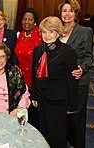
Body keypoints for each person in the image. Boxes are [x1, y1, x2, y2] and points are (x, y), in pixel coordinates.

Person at [31, 16, 78, 148]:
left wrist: (72, 105)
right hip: (41, 98)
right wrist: (34, 95)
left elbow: (72, 80)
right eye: (44, 32)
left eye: (51, 32)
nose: (47, 35)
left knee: (57, 135)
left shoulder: (68, 52)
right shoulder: (38, 51)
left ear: (58, 33)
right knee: (43, 132)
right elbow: (34, 75)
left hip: (58, 100)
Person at [58, 0, 93, 148]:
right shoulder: (56, 31)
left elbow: (88, 57)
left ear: (76, 13)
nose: (67, 14)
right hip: (60, 81)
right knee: (62, 114)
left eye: (70, 11)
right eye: (64, 11)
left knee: (77, 117)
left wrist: (82, 69)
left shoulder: (85, 31)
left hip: (78, 80)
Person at [15, 7, 42, 129]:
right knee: (22, 107)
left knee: (33, 110)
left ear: (35, 21)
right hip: (21, 78)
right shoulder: (21, 34)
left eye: (30, 20)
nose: (26, 22)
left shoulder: (40, 37)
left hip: (34, 79)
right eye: (24, 19)